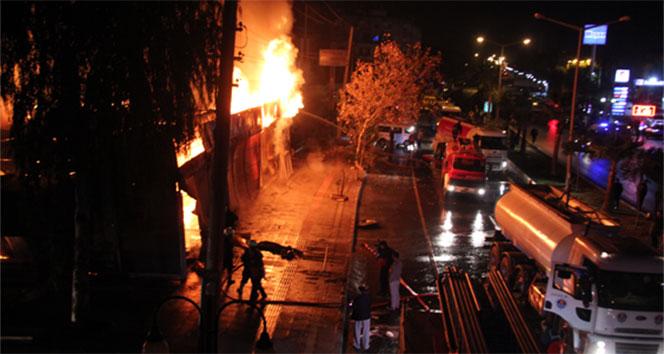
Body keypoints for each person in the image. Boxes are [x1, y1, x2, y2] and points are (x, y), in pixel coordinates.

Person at [351, 284, 371, 352]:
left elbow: (354, 307)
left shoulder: (357, 299)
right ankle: (366, 346)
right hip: (366, 316)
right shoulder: (369, 298)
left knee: (357, 330)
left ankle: (357, 345)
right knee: (366, 331)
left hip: (358, 316)